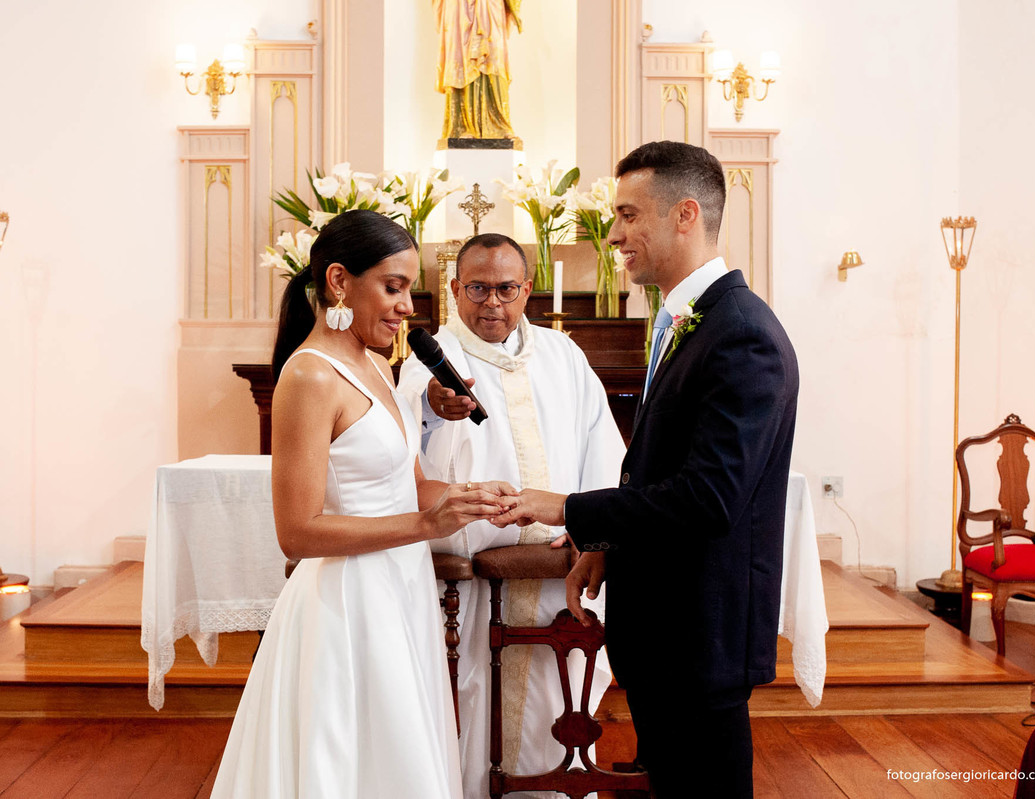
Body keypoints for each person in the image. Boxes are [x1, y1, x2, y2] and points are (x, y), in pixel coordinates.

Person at [493, 141, 800, 798]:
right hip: (671, 634)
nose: (613, 234)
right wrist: (606, 541)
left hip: (701, 636)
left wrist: (569, 508)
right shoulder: (690, 319)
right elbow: (660, 471)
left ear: (685, 213)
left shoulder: (741, 332)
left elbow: (709, 498)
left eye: (629, 214)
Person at [212, 210, 516, 798]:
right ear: (338, 282)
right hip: (348, 604)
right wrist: (426, 523)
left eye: (409, 289)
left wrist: (467, 497)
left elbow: (408, 484)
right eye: (394, 287)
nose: (407, 306)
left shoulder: (378, 364)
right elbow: (297, 533)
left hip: (400, 588)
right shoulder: (310, 376)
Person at [398, 233, 625, 799]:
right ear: (454, 289)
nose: (491, 303)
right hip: (473, 583)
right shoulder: (428, 362)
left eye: (506, 289)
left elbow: (603, 448)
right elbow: (403, 451)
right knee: (472, 702)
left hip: (557, 569)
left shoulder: (563, 354)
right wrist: (432, 405)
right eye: (477, 288)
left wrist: (592, 530)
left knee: (560, 699)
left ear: (528, 290)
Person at [433, 0, 520, 141]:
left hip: (490, 6)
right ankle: (461, 126)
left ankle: (500, 124)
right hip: (459, 6)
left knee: (493, 58)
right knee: (461, 57)